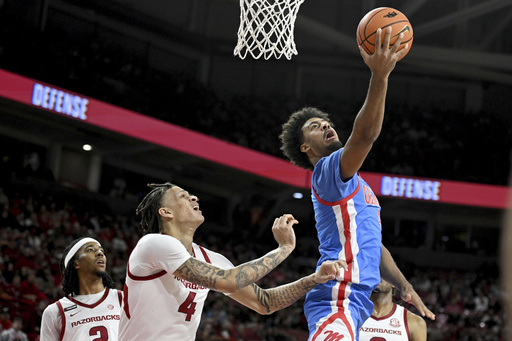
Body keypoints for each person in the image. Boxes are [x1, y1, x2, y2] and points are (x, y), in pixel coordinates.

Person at [279, 27, 435, 341]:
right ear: (306, 149)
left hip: (355, 300)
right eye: (314, 126)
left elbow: (372, 247)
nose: (325, 124)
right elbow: (364, 137)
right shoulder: (325, 171)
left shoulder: (358, 186)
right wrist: (380, 76)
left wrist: (405, 288)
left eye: (325, 121)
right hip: (339, 294)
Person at [119, 182, 346, 340]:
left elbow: (264, 302)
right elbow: (229, 281)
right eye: (183, 196)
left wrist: (314, 279)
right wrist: (284, 249)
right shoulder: (154, 244)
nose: (194, 197)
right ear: (166, 212)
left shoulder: (211, 259)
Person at [40, 237, 123, 341]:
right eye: (90, 250)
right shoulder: (55, 312)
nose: (100, 253)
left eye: (101, 250)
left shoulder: (122, 299)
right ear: (76, 263)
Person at [359, 279, 427, 341]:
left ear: (394, 282)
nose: (377, 275)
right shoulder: (350, 314)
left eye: (382, 272)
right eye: (373, 271)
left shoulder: (415, 322)